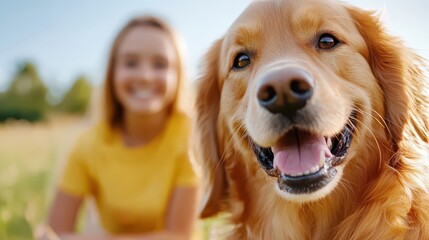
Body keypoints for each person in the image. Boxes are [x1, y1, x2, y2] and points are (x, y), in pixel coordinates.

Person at [46, 15, 199, 240]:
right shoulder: (88, 144)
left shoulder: (190, 139)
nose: (145, 76)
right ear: (112, 73)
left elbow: (177, 236)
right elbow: (52, 233)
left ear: (178, 75)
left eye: (160, 64)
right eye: (131, 63)